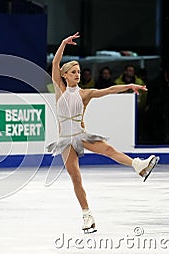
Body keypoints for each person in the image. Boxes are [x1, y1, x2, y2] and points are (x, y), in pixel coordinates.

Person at [47, 32, 159, 234]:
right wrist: (63, 43)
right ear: (65, 75)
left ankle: (138, 165)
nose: (77, 74)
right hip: (65, 140)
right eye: (73, 72)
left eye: (79, 72)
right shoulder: (60, 90)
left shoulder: (85, 93)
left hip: (81, 135)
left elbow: (109, 90)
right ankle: (87, 215)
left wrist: (129, 86)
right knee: (76, 177)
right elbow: (55, 63)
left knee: (108, 149)